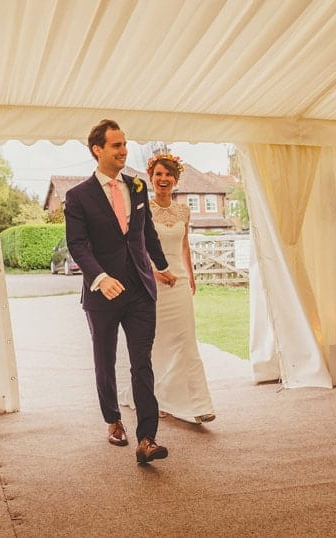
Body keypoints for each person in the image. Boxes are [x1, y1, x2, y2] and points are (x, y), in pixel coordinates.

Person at [64, 119, 177, 464]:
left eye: (125, 144)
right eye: (116, 145)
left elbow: (146, 235)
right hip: (103, 295)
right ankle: (113, 420)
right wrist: (99, 277)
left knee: (142, 362)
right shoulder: (77, 196)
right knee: (106, 359)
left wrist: (161, 266)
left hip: (140, 290)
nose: (123, 150)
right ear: (97, 150)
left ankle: (147, 438)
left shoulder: (139, 187)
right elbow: (78, 245)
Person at [119, 154, 216, 424]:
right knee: (157, 342)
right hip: (153, 283)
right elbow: (135, 248)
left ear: (176, 179)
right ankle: (156, 396)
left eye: (168, 175)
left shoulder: (184, 210)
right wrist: (154, 273)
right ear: (151, 178)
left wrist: (191, 276)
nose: (164, 179)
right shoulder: (142, 209)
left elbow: (184, 246)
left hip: (181, 283)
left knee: (186, 342)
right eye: (159, 174)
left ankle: (199, 403)